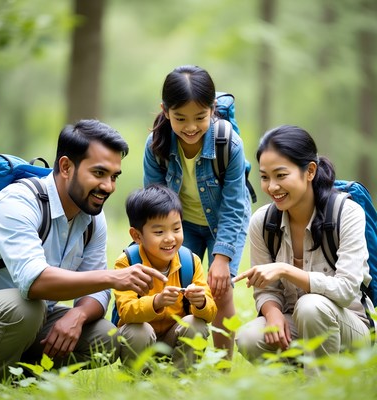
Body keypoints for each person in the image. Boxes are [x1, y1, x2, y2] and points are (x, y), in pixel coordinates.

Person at [0, 119, 167, 381]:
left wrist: (78, 314)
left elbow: (98, 292)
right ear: (66, 167)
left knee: (106, 336)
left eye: (114, 177)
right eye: (99, 173)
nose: (109, 187)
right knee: (25, 308)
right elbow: (34, 283)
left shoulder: (91, 216)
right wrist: (115, 276)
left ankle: (23, 381)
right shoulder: (18, 202)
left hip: (30, 319)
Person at [233, 125, 373, 375]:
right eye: (265, 177)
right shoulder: (263, 222)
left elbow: (345, 290)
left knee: (310, 306)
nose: (272, 187)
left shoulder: (346, 213)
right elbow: (265, 291)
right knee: (250, 337)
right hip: (296, 323)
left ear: (309, 171)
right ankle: (299, 380)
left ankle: (323, 385)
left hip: (350, 327)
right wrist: (273, 313)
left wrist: (285, 269)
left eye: (281, 175)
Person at [143, 65, 251, 359]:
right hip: (180, 225)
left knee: (219, 288)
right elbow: (153, 203)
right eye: (180, 118)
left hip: (223, 223)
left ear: (213, 110)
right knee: (175, 284)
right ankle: (171, 359)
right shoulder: (156, 145)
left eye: (200, 118)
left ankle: (223, 368)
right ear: (165, 111)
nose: (190, 127)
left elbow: (235, 205)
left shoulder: (228, 143)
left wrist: (222, 257)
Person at [113, 184, 217, 372]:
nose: (170, 238)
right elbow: (126, 312)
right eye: (159, 232)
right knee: (138, 330)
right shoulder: (127, 263)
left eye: (176, 229)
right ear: (137, 235)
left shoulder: (190, 261)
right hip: (141, 341)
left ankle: (179, 380)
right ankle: (138, 380)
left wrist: (201, 302)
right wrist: (156, 302)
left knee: (196, 324)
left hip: (173, 339)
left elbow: (210, 313)